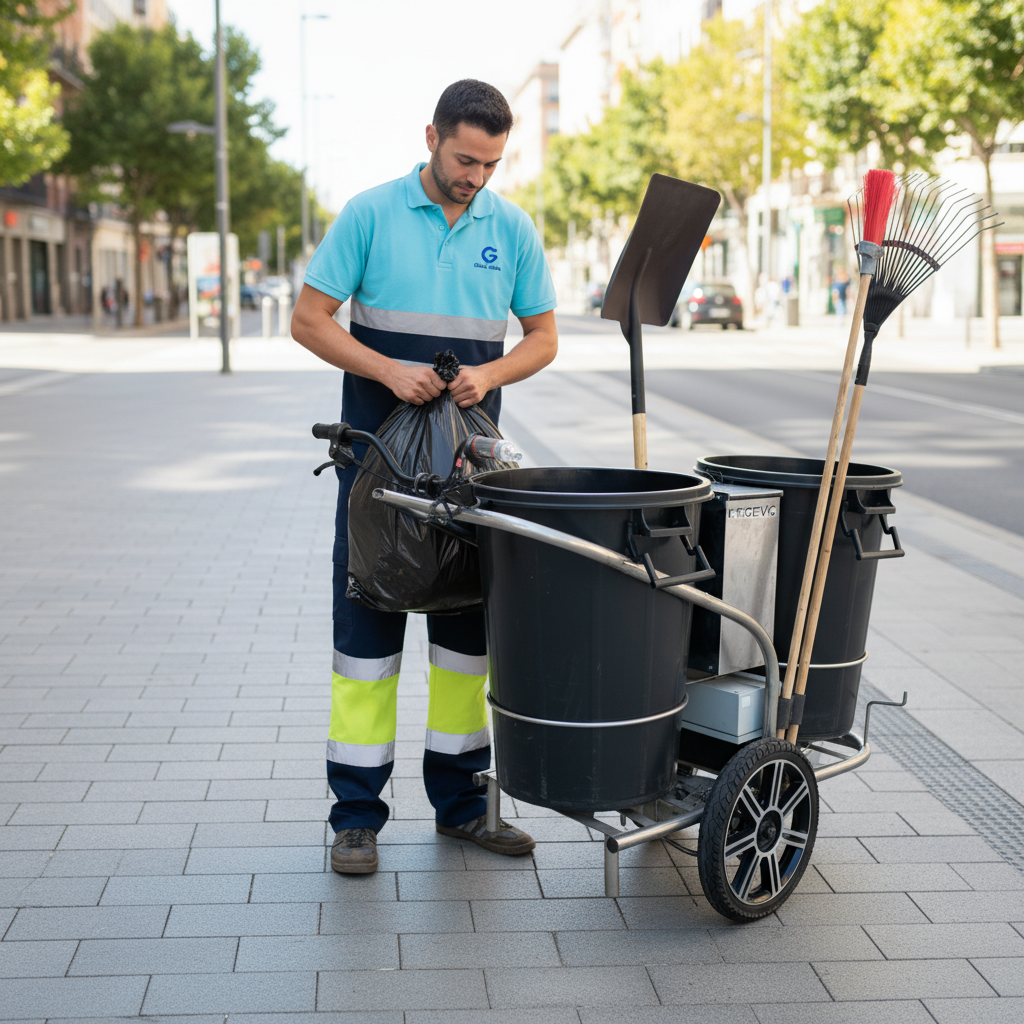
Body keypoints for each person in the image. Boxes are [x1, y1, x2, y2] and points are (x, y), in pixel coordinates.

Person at [291, 80, 558, 874]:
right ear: (432, 137)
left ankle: (463, 806)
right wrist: (386, 369)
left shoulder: (511, 228)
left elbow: (543, 337)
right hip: (375, 476)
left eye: (491, 164)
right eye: (466, 159)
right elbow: (308, 320)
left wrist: (492, 374)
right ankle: (355, 818)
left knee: (466, 648)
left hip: (471, 483)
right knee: (366, 646)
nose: (477, 177)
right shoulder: (370, 215)